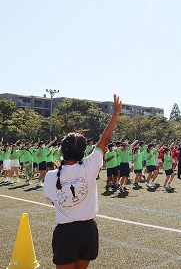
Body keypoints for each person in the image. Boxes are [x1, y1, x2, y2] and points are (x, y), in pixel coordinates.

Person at [43, 94, 122, 269]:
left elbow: (53, 200)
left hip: (66, 233)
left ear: (62, 152)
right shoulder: (90, 165)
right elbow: (104, 140)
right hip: (88, 231)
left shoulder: (51, 176)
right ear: (83, 152)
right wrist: (115, 113)